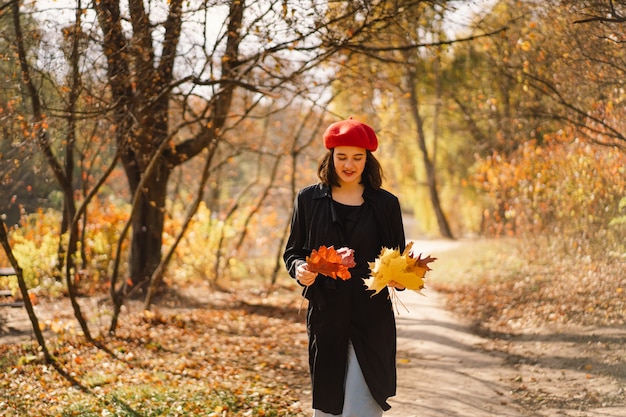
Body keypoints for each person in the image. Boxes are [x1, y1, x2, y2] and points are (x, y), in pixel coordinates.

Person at [283, 118, 406, 417]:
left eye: (357, 157)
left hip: (372, 317)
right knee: (329, 405)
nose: (349, 165)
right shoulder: (309, 199)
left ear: (368, 159)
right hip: (328, 316)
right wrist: (301, 268)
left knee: (363, 406)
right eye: (342, 157)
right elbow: (293, 252)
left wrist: (400, 279)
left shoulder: (386, 204)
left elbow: (397, 261)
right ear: (330, 156)